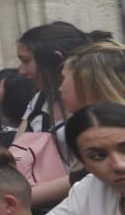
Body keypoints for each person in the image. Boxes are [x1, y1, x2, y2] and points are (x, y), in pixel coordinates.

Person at [17, 22, 111, 151]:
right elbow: (17, 150)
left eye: (26, 61)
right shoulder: (39, 99)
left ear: (56, 60)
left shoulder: (103, 104)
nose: (21, 70)